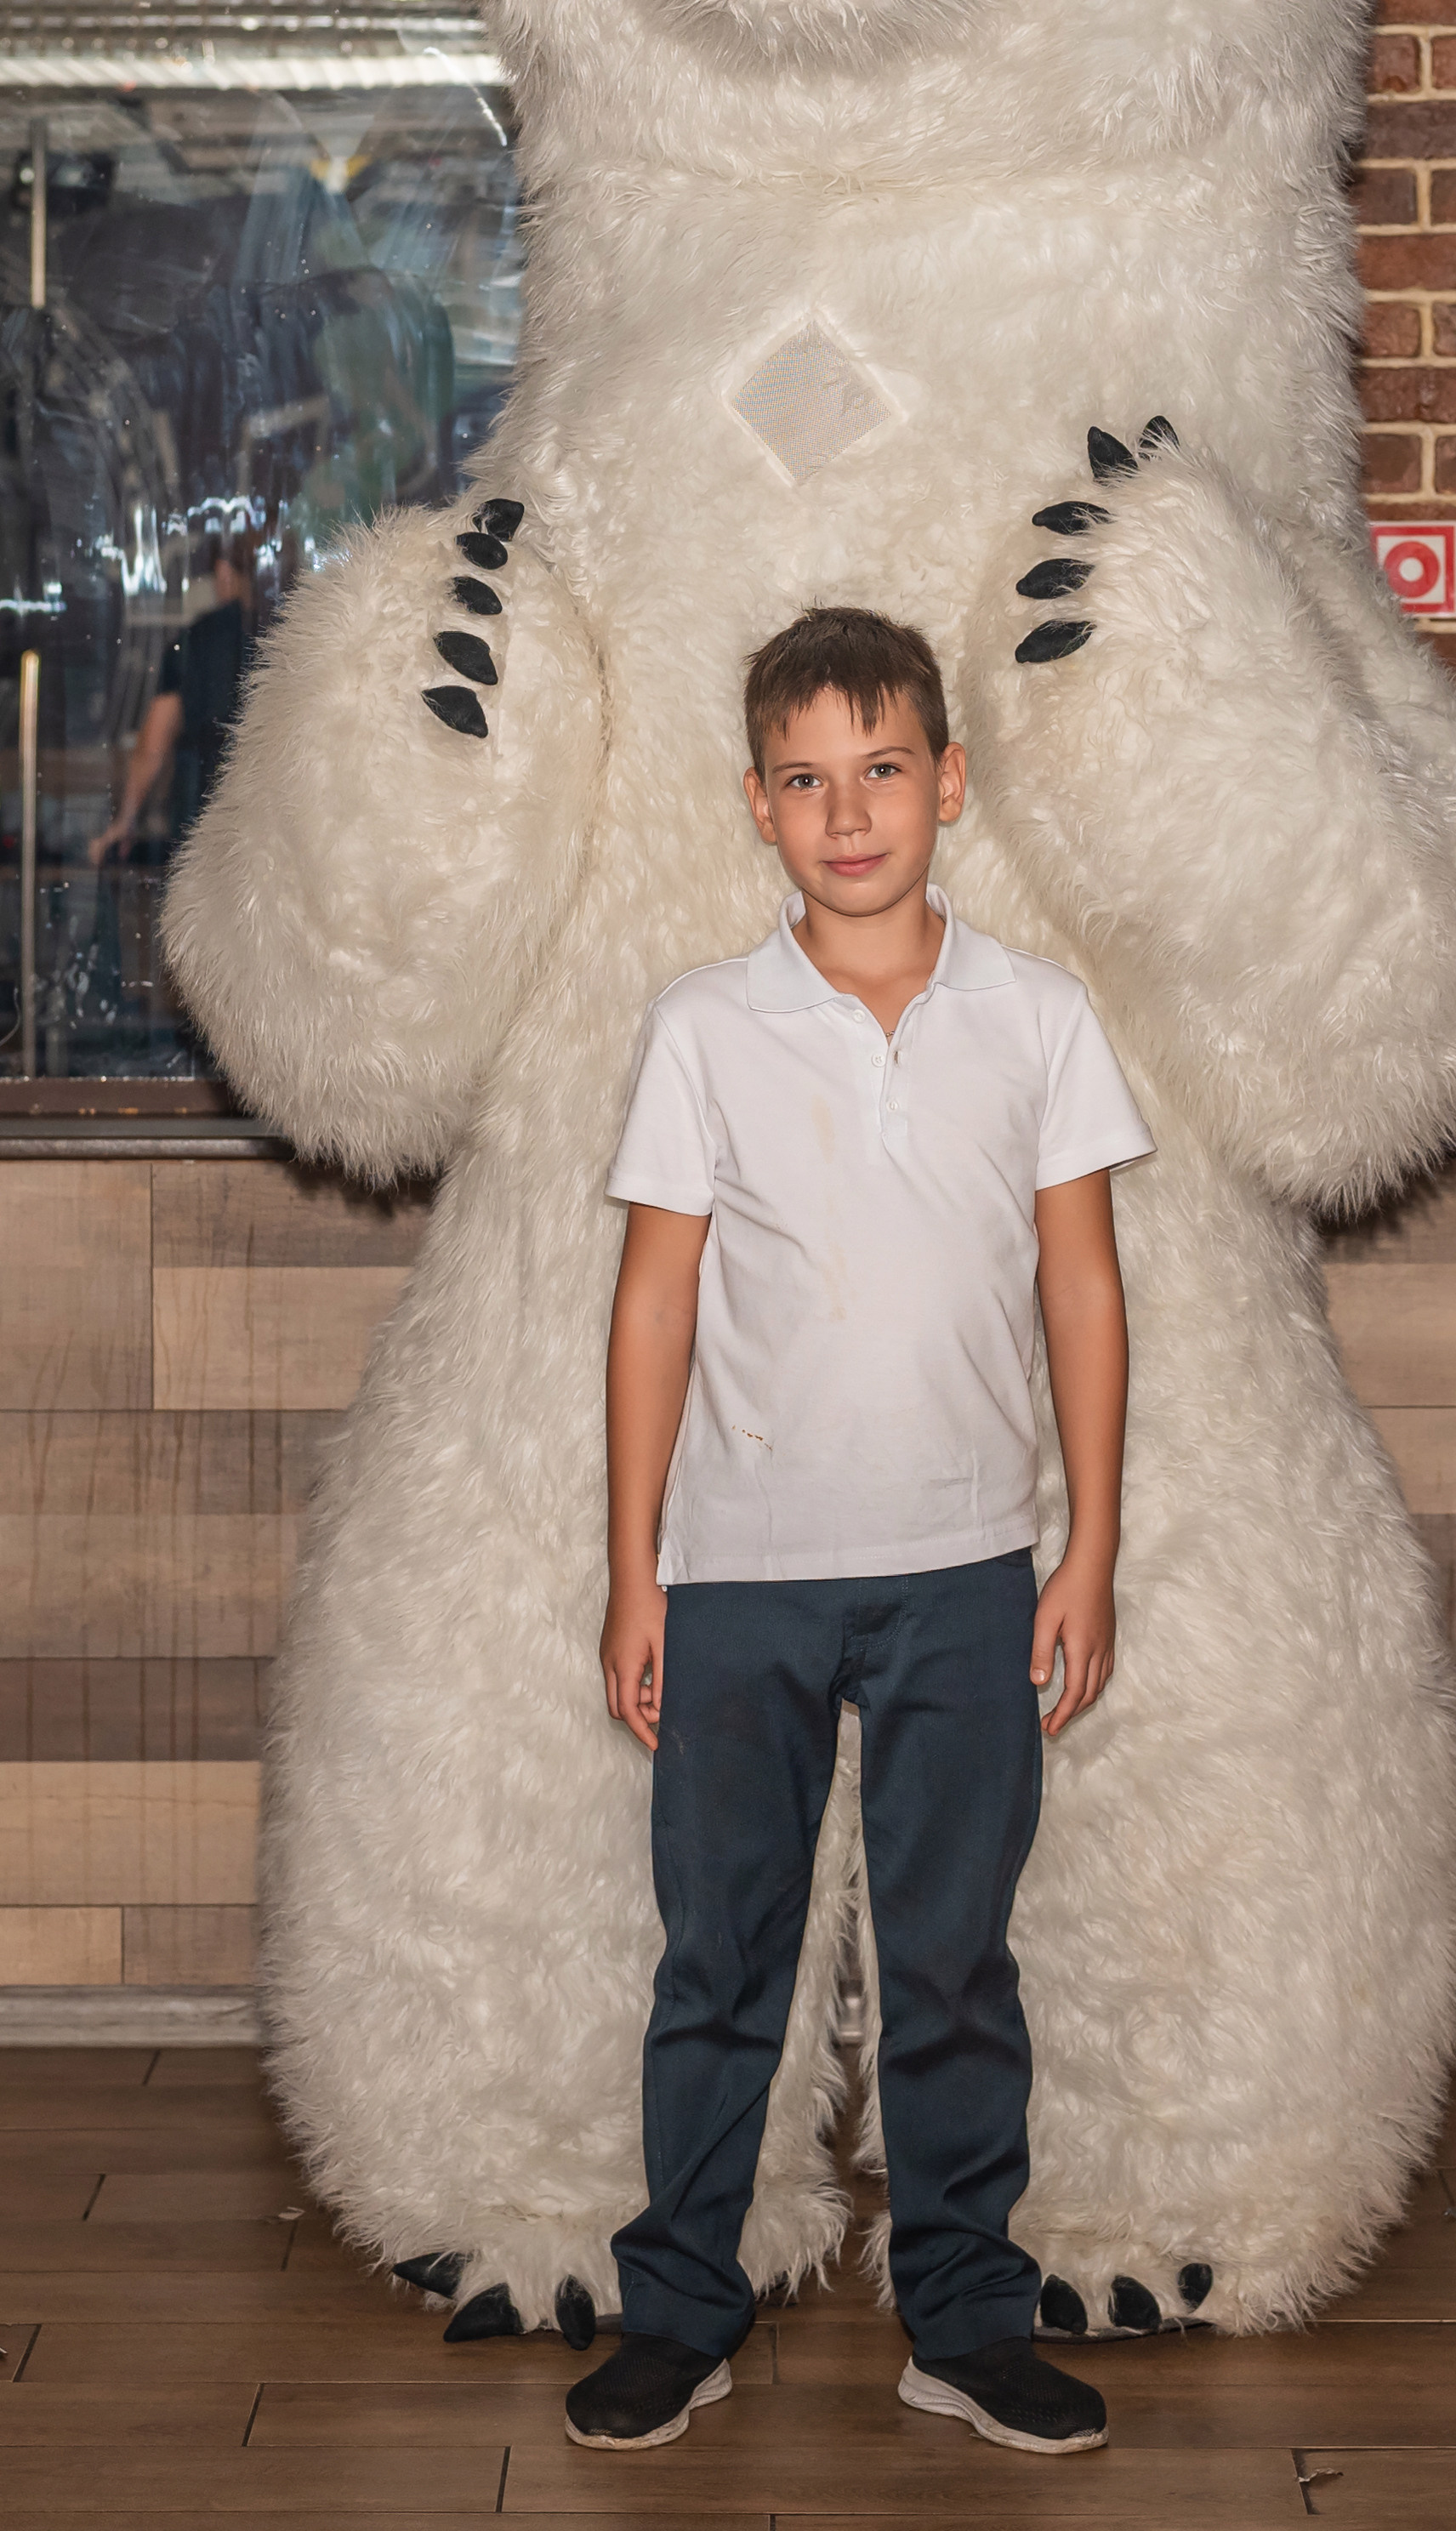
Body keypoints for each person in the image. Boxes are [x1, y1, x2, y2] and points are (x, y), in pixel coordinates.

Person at [573, 604, 1153, 2460]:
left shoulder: (1037, 1019)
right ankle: (680, 2306)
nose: (847, 813)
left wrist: (1087, 1547)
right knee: (720, 1954)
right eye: (806, 780)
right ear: (757, 804)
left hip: (970, 1567)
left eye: (880, 769)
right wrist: (631, 1567)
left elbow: (1083, 1287)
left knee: (952, 1957)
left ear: (945, 784)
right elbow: (651, 1301)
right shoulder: (703, 1028)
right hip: (738, 1574)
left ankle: (965, 2315)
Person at [89, 533, 255, 867]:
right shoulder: (284, 638)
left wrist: (125, 821)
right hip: (266, 818)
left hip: (203, 812)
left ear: (223, 572)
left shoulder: (198, 641)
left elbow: (155, 741)